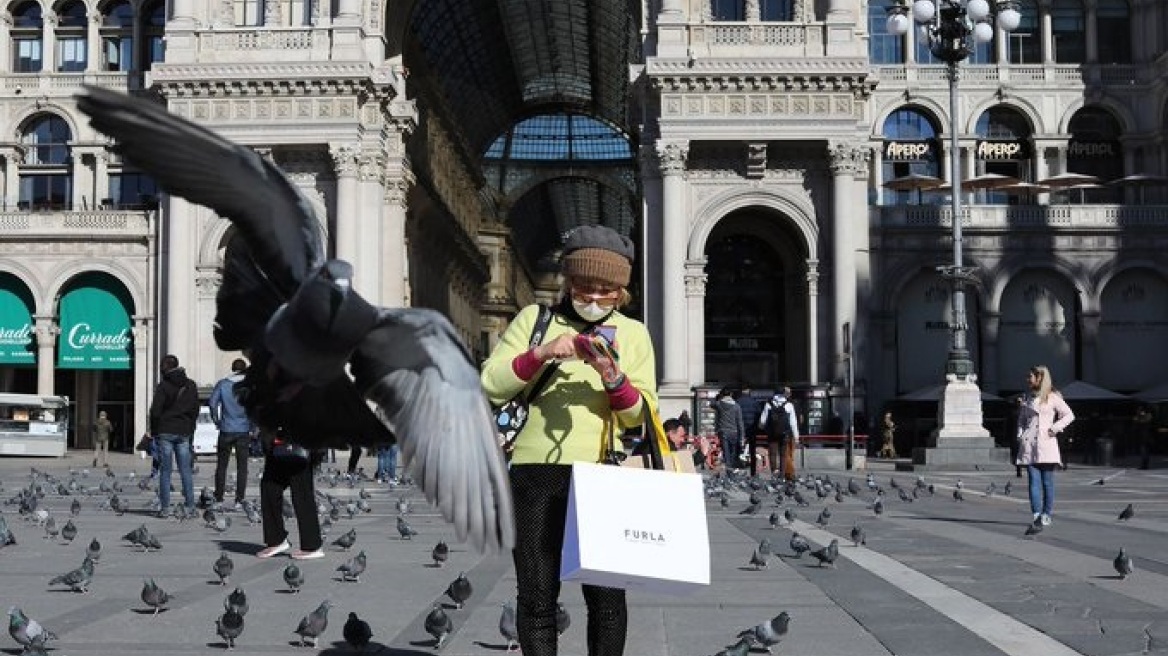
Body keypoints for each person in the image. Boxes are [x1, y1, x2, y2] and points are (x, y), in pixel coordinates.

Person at [481, 224, 656, 656]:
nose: (594, 298)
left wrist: (613, 377)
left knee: (607, 600)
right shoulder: (534, 320)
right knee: (536, 594)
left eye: (606, 292)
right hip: (535, 472)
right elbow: (490, 384)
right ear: (568, 281)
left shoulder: (633, 333)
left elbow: (640, 415)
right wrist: (539, 354)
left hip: (603, 472)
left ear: (621, 292)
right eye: (584, 287)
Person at [1015, 365, 1075, 527]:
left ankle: (1046, 513)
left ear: (1040, 378)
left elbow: (1069, 415)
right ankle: (1036, 514)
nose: (1028, 380)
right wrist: (1020, 434)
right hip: (1029, 444)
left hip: (1046, 442)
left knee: (1047, 482)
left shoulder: (1053, 397)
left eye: (1030, 377)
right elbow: (1022, 419)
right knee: (1033, 481)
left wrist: (1054, 428)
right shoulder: (1027, 398)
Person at [257, 427, 324, 559]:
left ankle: (312, 545)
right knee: (269, 488)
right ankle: (276, 540)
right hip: (277, 444)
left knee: (301, 493)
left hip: (301, 443)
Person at [149, 354, 200, 516]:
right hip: (184, 430)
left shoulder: (163, 386)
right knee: (185, 470)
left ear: (164, 367)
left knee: (165, 471)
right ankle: (190, 506)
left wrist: (154, 431)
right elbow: (195, 409)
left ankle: (165, 508)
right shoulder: (190, 385)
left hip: (165, 430)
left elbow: (155, 411)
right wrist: (191, 428)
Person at [209, 358, 255, 510]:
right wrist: (253, 426)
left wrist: (216, 420)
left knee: (222, 465)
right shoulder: (249, 386)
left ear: (232, 369)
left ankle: (219, 498)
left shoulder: (223, 384)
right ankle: (239, 500)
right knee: (242, 467)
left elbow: (212, 403)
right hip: (243, 429)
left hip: (226, 428)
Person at [759, 387, 799, 479]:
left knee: (772, 453)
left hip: (772, 433)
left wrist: (762, 427)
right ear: (783, 394)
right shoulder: (789, 405)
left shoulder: (768, 404)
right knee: (783, 455)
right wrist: (796, 437)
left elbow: (762, 421)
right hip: (785, 434)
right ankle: (782, 475)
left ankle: (774, 472)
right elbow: (793, 423)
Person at [714, 388, 745, 471]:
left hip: (723, 431)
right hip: (734, 432)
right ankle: (731, 469)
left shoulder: (719, 404)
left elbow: (711, 404)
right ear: (731, 394)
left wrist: (718, 396)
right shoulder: (736, 406)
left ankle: (729, 471)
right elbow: (740, 422)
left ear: (722, 395)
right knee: (733, 453)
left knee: (726, 453)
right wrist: (742, 436)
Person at [736, 387, 764, 475]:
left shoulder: (738, 402)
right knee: (752, 449)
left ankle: (737, 468)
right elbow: (759, 414)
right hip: (752, 428)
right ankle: (753, 471)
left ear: (742, 392)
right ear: (749, 392)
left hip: (741, 428)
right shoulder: (754, 402)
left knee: (738, 448)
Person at [1133, 405, 1153, 470]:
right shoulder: (1139, 416)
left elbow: (1145, 421)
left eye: (1139, 410)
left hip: (1146, 436)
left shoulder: (1148, 415)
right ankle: (1144, 465)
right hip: (1142, 436)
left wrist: (1141, 416)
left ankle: (1145, 465)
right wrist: (1139, 416)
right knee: (1143, 451)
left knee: (1144, 451)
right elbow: (1135, 420)